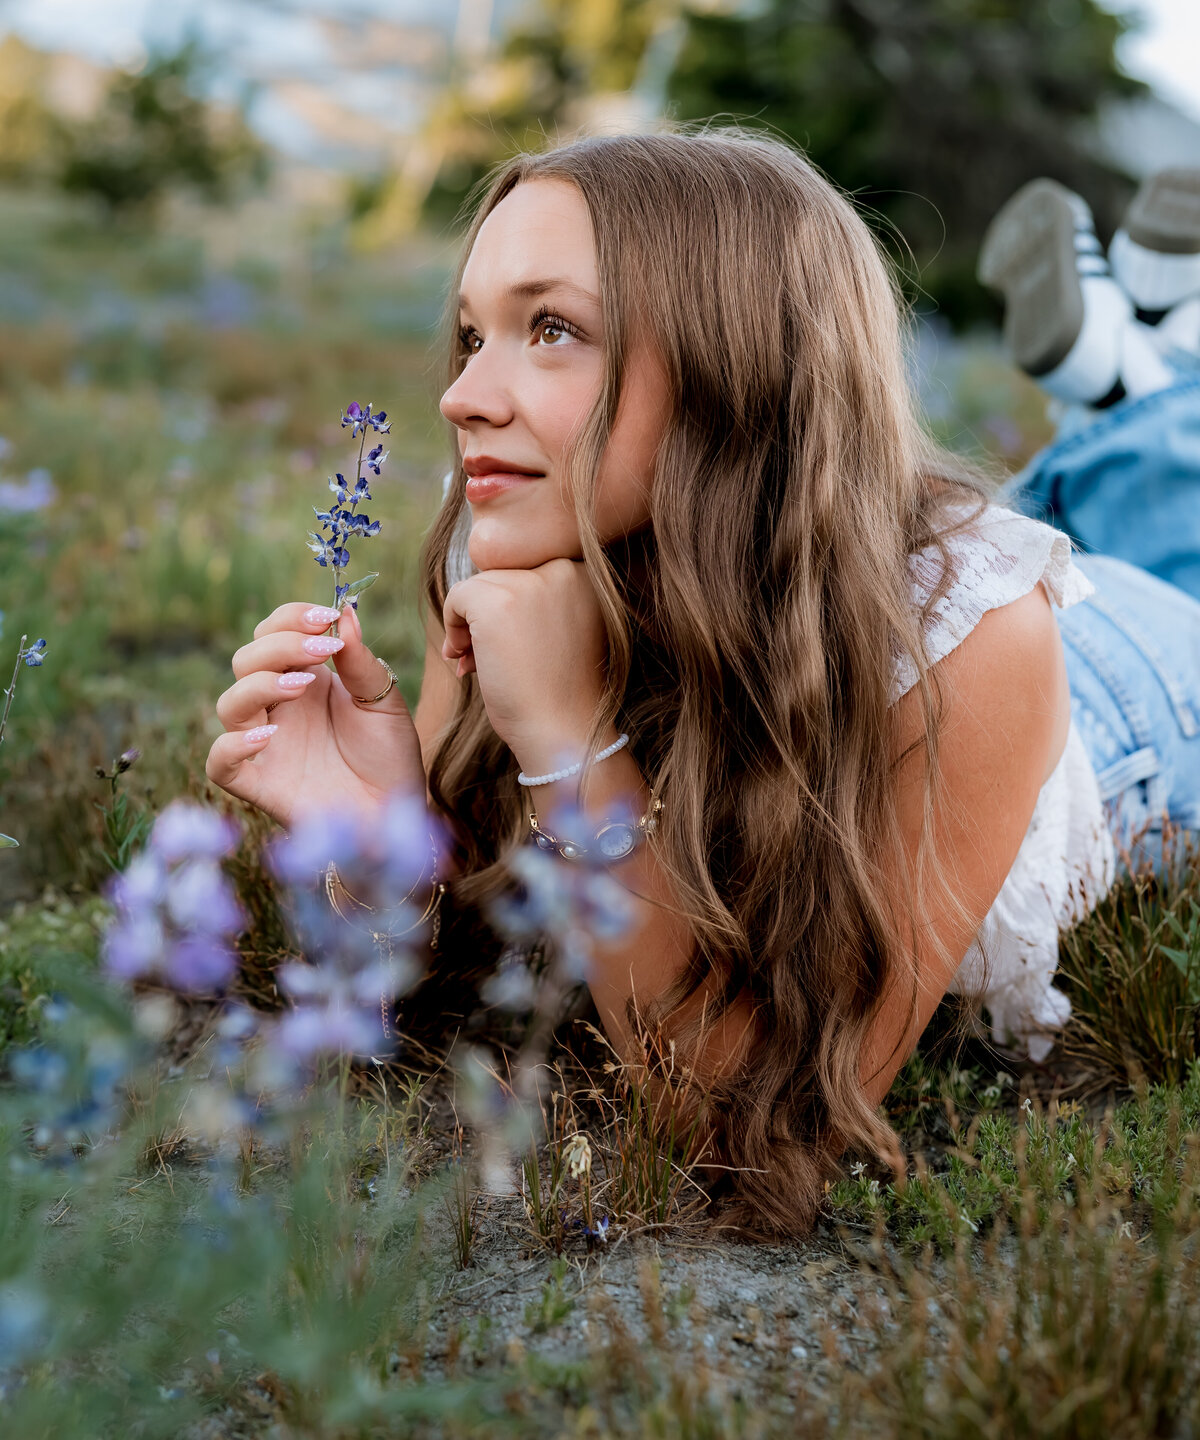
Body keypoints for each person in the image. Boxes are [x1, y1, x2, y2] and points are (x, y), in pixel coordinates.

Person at [206, 129, 1200, 1237]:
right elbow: (465, 982)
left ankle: (1145, 372)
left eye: (551, 329)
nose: (464, 396)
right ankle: (1129, 372)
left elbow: (754, 1149)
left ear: (740, 364)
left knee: (1168, 529)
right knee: (1098, 477)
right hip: (842, 541)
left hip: (1143, 686)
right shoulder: (510, 553)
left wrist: (575, 745)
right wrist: (385, 845)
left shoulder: (970, 630)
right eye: (470, 333)